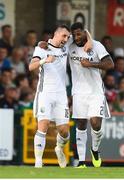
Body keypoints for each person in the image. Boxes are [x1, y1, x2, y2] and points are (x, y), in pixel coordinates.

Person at [29, 24, 92, 168]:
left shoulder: (66, 45)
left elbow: (85, 34)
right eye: (63, 36)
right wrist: (45, 60)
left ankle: (59, 148)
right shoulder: (42, 48)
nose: (66, 39)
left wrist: (88, 39)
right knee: (43, 126)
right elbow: (31, 66)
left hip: (61, 96)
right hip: (45, 93)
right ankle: (38, 162)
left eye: (68, 37)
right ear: (55, 34)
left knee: (65, 132)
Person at [69, 22, 114, 168]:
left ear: (84, 32)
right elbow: (58, 39)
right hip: (78, 92)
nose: (76, 37)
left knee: (95, 123)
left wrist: (91, 64)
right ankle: (81, 161)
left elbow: (110, 64)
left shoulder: (96, 45)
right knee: (81, 124)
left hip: (95, 92)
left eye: (79, 33)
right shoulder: (70, 45)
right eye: (74, 34)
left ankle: (95, 150)